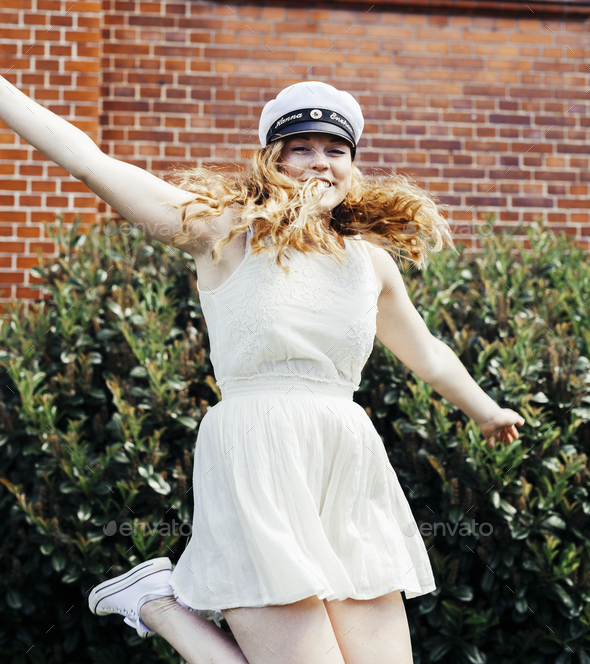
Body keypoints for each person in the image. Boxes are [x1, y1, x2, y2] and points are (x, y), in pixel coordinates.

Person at [0, 77, 525, 664]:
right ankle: (159, 606)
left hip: (345, 456)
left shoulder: (370, 261)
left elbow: (425, 350)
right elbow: (89, 162)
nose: (320, 163)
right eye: (300, 147)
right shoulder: (220, 233)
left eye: (336, 150)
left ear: (354, 164)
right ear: (271, 160)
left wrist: (485, 409)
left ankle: (153, 596)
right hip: (258, 446)